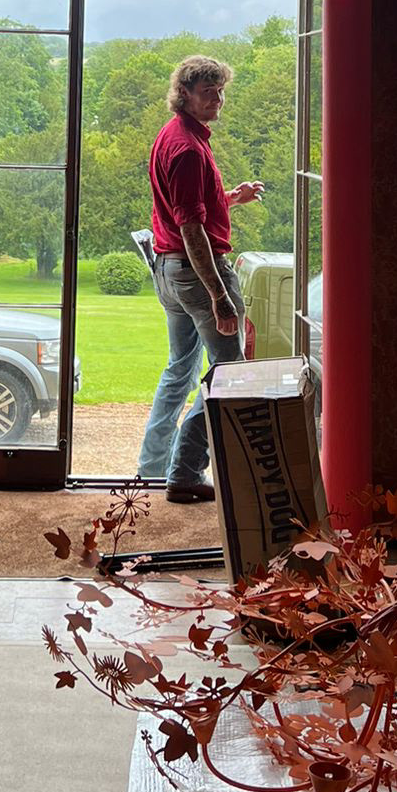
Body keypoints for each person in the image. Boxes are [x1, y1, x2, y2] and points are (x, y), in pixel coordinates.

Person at [136, 54, 264, 501]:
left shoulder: (173, 136)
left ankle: (153, 464)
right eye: (209, 92)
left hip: (170, 272)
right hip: (195, 274)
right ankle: (185, 473)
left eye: (221, 91)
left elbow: (190, 210)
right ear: (185, 94)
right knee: (228, 374)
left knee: (181, 369)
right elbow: (192, 229)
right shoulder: (188, 149)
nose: (219, 100)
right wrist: (220, 296)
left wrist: (232, 198)